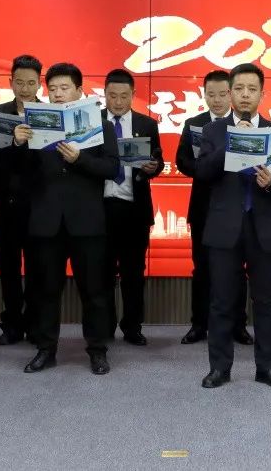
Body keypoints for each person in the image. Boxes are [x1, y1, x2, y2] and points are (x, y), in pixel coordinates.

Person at [197, 63, 271, 389]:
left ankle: (267, 367)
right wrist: (232, 142)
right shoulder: (213, 131)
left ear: (262, 94)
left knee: (266, 302)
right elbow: (202, 173)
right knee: (222, 301)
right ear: (230, 93)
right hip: (224, 228)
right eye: (239, 89)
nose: (245, 95)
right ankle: (219, 368)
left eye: (252, 89)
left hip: (262, 228)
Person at [18, 63, 119, 374]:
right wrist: (19, 144)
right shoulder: (35, 124)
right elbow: (22, 175)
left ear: (79, 90)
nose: (58, 94)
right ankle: (46, 349)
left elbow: (112, 168)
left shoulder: (100, 125)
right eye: (53, 89)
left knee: (94, 291)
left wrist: (80, 159)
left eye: (64, 88)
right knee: (46, 290)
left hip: (86, 221)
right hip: (47, 220)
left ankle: (97, 350)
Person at [175, 70, 253, 345]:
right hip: (204, 206)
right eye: (211, 95)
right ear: (204, 95)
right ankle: (199, 324)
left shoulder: (245, 123)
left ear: (230, 94)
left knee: (237, 269)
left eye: (222, 94)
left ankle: (238, 325)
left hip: (235, 206)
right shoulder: (194, 124)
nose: (217, 100)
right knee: (202, 267)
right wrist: (203, 166)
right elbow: (182, 160)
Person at [0, 54, 42, 346]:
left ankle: (35, 323)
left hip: (38, 206)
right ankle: (12, 324)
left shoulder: (49, 115)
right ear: (10, 82)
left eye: (31, 83)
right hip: (4, 204)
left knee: (38, 270)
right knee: (8, 269)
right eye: (19, 82)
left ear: (39, 84)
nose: (25, 89)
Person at [100, 69, 164, 345]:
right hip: (100, 209)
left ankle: (132, 326)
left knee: (133, 272)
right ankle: (105, 326)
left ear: (133, 95)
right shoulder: (94, 123)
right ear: (104, 94)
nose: (117, 102)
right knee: (102, 273)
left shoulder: (146, 124)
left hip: (134, 210)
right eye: (112, 96)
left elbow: (158, 160)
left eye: (124, 96)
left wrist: (153, 167)